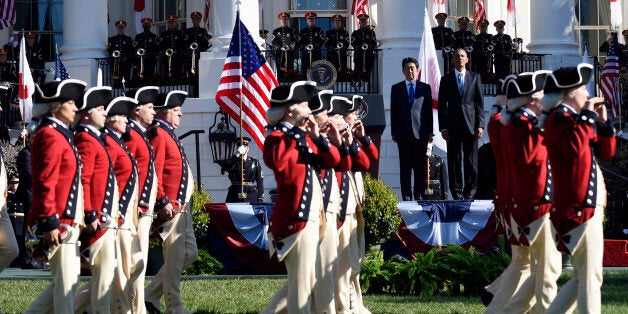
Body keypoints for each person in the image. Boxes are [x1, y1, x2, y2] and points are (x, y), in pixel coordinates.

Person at [541, 64, 616, 314]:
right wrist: (587, 115)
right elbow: (573, 147)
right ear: (569, 92)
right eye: (583, 87)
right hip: (577, 207)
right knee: (590, 278)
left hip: (586, 206)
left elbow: (605, 152)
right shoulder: (559, 118)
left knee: (583, 277)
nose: (587, 92)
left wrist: (603, 125)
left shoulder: (574, 121)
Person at [486, 71, 563, 313]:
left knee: (525, 263)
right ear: (531, 99)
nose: (545, 100)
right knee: (543, 267)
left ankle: (503, 308)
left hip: (521, 198)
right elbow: (529, 158)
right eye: (541, 96)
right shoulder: (521, 123)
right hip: (530, 200)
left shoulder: (514, 121)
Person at [262, 81, 340, 313]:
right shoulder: (277, 137)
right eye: (304, 105)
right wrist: (297, 131)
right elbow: (280, 165)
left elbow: (333, 161)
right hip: (297, 218)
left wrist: (317, 137)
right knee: (301, 286)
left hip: (313, 216)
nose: (309, 110)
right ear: (290, 109)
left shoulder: (303, 137)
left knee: (308, 280)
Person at [24, 78, 86, 314]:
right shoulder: (50, 135)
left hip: (66, 221)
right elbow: (44, 181)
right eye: (71, 103)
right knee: (65, 288)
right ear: (56, 105)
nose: (76, 108)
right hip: (58, 222)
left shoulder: (61, 134)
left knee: (66, 283)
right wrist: (49, 220)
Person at [145, 90, 198, 314]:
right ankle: (173, 306)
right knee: (175, 257)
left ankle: (150, 295)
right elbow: (154, 171)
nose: (181, 114)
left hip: (182, 208)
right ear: (164, 112)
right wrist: (161, 200)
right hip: (171, 207)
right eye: (176, 111)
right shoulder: (158, 133)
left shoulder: (168, 132)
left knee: (190, 253)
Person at [73, 85, 117, 314]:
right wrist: (90, 213)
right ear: (87, 113)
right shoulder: (86, 139)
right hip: (96, 219)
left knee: (107, 273)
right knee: (104, 273)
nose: (105, 113)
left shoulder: (94, 138)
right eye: (100, 109)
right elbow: (84, 180)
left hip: (104, 218)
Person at [104, 96, 141, 312]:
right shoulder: (109, 141)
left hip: (127, 213)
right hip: (118, 213)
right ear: (112, 120)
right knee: (122, 270)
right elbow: (108, 181)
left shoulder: (117, 140)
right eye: (123, 117)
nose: (127, 120)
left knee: (132, 266)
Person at [125, 86, 159, 314]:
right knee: (136, 262)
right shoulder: (132, 135)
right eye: (150, 107)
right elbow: (127, 173)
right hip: (137, 208)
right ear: (137, 111)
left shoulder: (140, 134)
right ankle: (135, 308)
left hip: (145, 207)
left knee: (139, 263)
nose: (154, 112)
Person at [438, 48, 484, 200]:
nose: (460, 58)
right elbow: (442, 106)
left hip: (471, 126)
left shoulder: (475, 77)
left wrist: (480, 125)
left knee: (471, 162)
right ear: (452, 60)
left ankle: (469, 193)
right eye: (457, 56)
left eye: (462, 56)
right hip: (452, 127)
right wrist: (443, 127)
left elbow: (479, 103)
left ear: (467, 59)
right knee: (454, 161)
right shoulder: (446, 79)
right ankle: (457, 194)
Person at [390, 57, 434, 201]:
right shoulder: (396, 88)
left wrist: (430, 132)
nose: (410, 71)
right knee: (405, 168)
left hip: (420, 134)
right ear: (403, 71)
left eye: (412, 68)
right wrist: (394, 132)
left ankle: (419, 196)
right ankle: (407, 197)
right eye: (407, 68)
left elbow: (428, 112)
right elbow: (394, 112)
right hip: (403, 134)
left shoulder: (425, 88)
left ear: (417, 70)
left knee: (420, 168)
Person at [221, 136, 265, 203]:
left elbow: (260, 181)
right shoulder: (233, 160)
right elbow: (225, 167)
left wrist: (260, 198)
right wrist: (237, 153)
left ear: (248, 149)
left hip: (251, 194)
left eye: (244, 146)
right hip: (234, 194)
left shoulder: (255, 162)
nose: (243, 149)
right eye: (240, 147)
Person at [271, 12, 298, 82]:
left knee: (289, 69)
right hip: (279, 54)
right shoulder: (276, 31)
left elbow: (294, 40)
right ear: (280, 20)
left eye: (285, 19)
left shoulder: (292, 31)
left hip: (289, 54)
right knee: (279, 69)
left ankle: (289, 83)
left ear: (288, 20)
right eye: (282, 19)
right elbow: (274, 41)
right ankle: (279, 83)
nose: (284, 21)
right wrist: (280, 48)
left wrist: (289, 47)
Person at [351, 14, 378, 83]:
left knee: (368, 72)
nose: (363, 23)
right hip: (358, 56)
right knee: (358, 71)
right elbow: (353, 43)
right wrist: (360, 47)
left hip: (368, 56)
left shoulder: (371, 32)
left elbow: (374, 42)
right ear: (359, 22)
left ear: (366, 22)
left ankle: (368, 88)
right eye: (362, 21)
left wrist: (369, 47)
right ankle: (359, 88)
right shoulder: (355, 33)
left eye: (364, 21)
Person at [184, 11, 212, 77]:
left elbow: (205, 43)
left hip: (200, 56)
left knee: (200, 74)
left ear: (200, 21)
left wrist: (202, 51)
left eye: (197, 19)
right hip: (190, 56)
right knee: (191, 74)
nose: (196, 21)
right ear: (192, 21)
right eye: (194, 19)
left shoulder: (203, 31)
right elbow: (185, 43)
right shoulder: (187, 31)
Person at [297, 12, 325, 77]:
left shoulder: (319, 30)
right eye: (309, 20)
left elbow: (321, 40)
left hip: (316, 53)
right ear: (307, 21)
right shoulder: (302, 31)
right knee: (305, 69)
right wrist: (305, 47)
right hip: (305, 54)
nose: (310, 21)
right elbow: (299, 42)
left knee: (316, 69)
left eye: (312, 20)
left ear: (314, 20)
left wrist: (314, 46)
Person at [159, 15, 186, 79]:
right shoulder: (163, 34)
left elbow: (183, 45)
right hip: (167, 58)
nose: (171, 24)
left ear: (176, 23)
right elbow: (161, 46)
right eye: (170, 22)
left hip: (178, 58)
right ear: (167, 23)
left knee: (178, 75)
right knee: (167, 75)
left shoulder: (180, 33)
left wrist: (179, 51)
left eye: (173, 22)